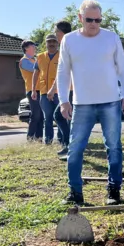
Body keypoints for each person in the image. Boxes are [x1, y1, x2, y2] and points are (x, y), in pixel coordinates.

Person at [57, 0, 124, 206]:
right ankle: (75, 192)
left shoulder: (111, 38)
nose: (94, 24)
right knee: (75, 148)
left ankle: (114, 190)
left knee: (114, 147)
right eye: (89, 19)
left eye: (98, 20)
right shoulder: (70, 40)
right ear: (80, 18)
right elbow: (63, 72)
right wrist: (63, 100)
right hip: (82, 104)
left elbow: (123, 70)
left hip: (110, 102)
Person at [33, 34, 70, 148]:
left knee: (60, 116)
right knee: (47, 117)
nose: (51, 44)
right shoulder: (40, 57)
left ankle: (62, 140)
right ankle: (48, 141)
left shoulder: (62, 56)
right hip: (44, 92)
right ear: (46, 43)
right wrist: (34, 89)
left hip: (60, 92)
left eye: (54, 41)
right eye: (49, 42)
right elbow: (36, 73)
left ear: (57, 43)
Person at [49, 20, 74, 157]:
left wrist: (53, 89)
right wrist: (53, 89)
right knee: (62, 116)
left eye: (56, 32)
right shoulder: (65, 46)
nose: (55, 35)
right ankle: (69, 145)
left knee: (61, 116)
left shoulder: (70, 45)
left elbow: (65, 71)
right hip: (68, 90)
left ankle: (70, 146)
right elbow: (61, 71)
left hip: (73, 90)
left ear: (61, 32)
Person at [20, 40, 43, 141]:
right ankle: (30, 138)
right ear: (26, 48)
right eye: (32, 46)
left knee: (41, 116)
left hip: (40, 90)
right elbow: (36, 71)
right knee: (36, 114)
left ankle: (39, 138)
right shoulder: (24, 60)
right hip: (31, 90)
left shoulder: (34, 60)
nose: (35, 48)